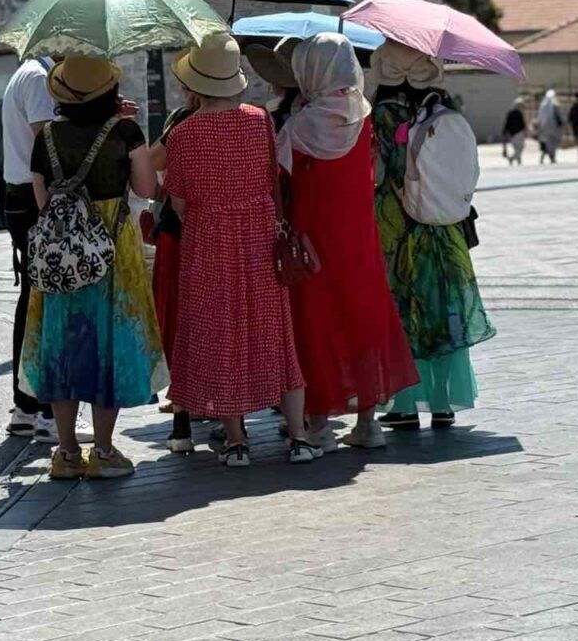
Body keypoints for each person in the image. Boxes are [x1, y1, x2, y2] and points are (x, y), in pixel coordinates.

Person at [164, 34, 320, 468]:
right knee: (275, 333)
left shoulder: (183, 134)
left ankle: (236, 441)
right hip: (258, 238)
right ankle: (300, 436)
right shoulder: (259, 121)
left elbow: (177, 203)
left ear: (196, 84)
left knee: (221, 336)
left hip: (209, 242)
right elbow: (271, 176)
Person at [21, 56, 165, 480]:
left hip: (60, 256)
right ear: (109, 91)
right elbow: (146, 189)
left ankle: (66, 453)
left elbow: (43, 200)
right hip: (114, 252)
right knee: (110, 345)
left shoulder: (46, 136)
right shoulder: (124, 131)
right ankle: (103, 450)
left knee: (63, 348)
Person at [278, 33, 418, 451]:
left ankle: (318, 422)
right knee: (362, 321)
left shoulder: (301, 124)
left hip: (313, 238)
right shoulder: (365, 117)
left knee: (315, 323)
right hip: (358, 237)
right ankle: (367, 422)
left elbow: (279, 175)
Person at [369, 41, 496, 432]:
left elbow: (374, 172)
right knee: (443, 307)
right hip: (444, 226)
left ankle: (405, 403)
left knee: (404, 308)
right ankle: (443, 403)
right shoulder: (445, 109)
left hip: (396, 225)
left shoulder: (381, 115)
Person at [0, 58, 58, 441]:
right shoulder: (38, 77)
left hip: (19, 195)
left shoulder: (27, 73)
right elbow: (46, 143)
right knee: (50, 301)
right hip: (35, 197)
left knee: (33, 299)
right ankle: (50, 414)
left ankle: (26, 406)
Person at [146, 91, 199, 454]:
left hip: (179, 234)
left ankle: (182, 421)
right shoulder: (250, 119)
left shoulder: (181, 122)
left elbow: (152, 164)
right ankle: (233, 424)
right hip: (225, 232)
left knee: (179, 319)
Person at [536, 89, 564, 164]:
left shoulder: (544, 106)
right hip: (551, 128)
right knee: (551, 143)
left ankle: (551, 156)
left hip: (548, 128)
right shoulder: (553, 105)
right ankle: (552, 157)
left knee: (550, 143)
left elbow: (540, 118)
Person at [502, 100, 527, 165]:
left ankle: (519, 162)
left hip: (512, 135)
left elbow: (506, 124)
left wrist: (505, 132)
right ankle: (512, 158)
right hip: (518, 134)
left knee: (517, 149)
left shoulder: (510, 113)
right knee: (520, 148)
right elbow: (522, 124)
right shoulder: (519, 114)